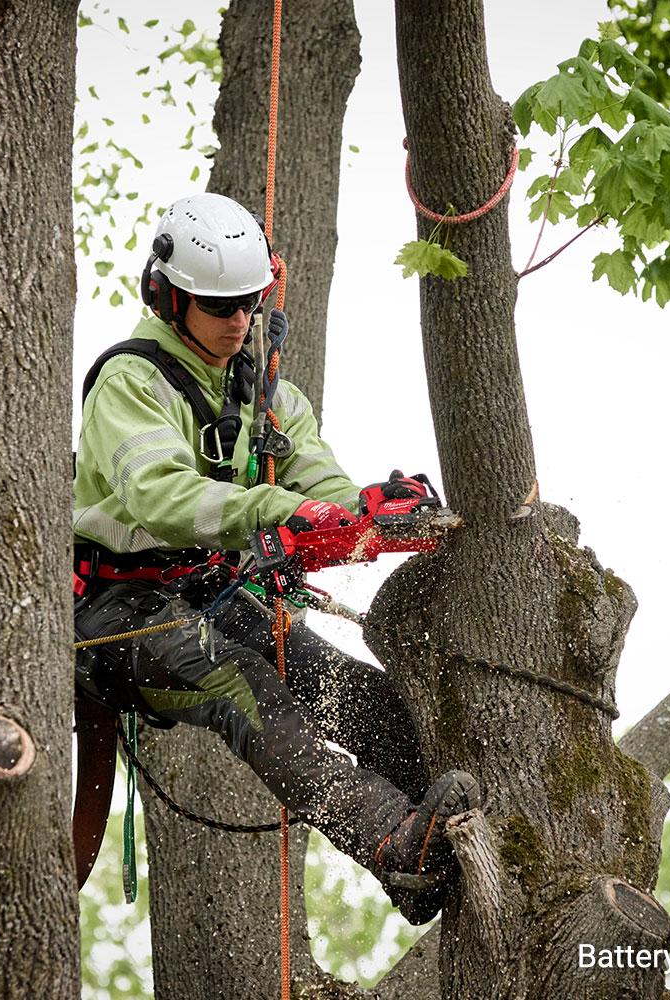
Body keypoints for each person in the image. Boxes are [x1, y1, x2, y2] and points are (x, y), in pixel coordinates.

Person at [72, 192, 479, 924]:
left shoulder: (268, 397)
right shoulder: (130, 383)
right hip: (113, 616)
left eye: (248, 303)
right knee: (247, 688)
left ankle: (438, 846)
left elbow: (315, 486)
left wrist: (370, 515)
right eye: (219, 305)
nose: (238, 321)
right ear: (169, 297)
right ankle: (393, 843)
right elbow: (161, 497)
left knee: (365, 698)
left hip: (209, 597)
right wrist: (278, 513)